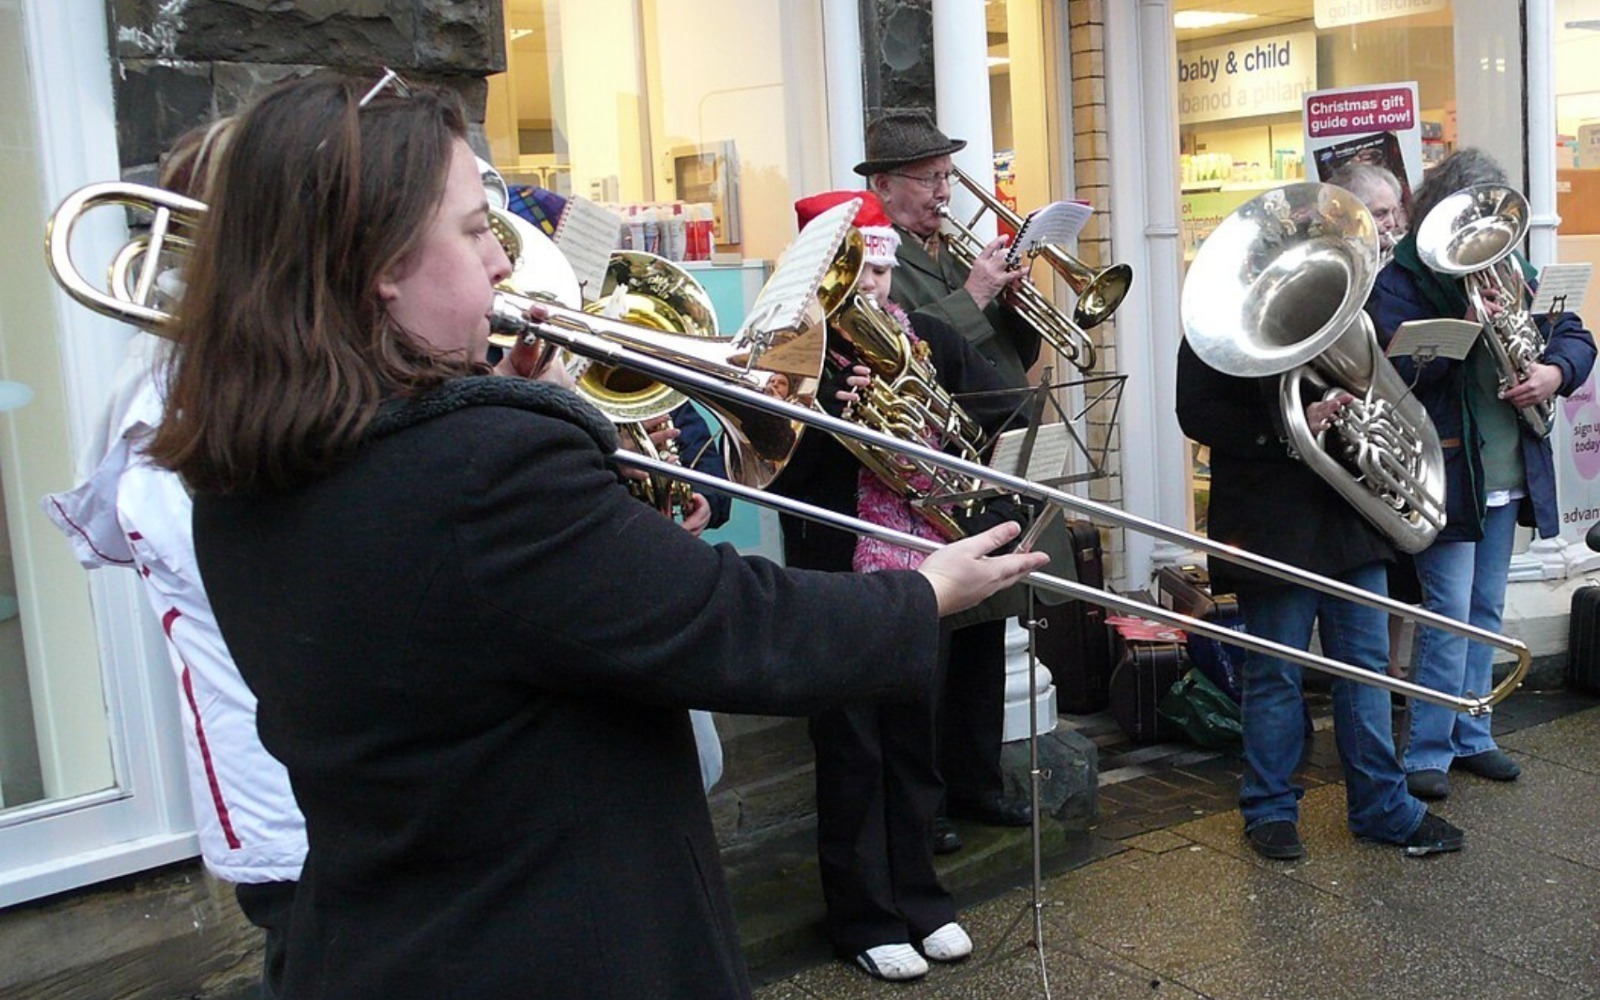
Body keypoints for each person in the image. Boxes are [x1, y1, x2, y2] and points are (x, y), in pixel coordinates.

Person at [141, 70, 1046, 1000]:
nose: (502, 261)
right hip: (549, 940)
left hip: (381, 931)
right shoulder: (481, 463)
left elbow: (494, 619)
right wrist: (926, 590)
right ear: (378, 261)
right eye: (470, 229)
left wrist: (586, 473)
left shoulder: (242, 462)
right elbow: (731, 623)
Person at [42, 117, 306, 1000]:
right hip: (301, 811)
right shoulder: (183, 389)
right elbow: (221, 575)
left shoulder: (263, 368)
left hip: (351, 797)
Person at [771, 191, 1023, 982]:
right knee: (852, 751)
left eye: (882, 268)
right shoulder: (798, 353)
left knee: (915, 745)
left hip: (925, 576)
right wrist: (829, 427)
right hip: (839, 580)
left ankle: (922, 899)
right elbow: (774, 471)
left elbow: (1005, 408)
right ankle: (863, 917)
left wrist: (943, 424)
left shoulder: (931, 337)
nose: (876, 285)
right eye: (860, 268)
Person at [1176, 335, 1466, 861]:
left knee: (1367, 669)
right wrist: (1290, 427)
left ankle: (1382, 806)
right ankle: (1269, 807)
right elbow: (1197, 413)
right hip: (1271, 521)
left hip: (1349, 513)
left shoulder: (1335, 305)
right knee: (1275, 672)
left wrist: (1354, 413)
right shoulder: (1215, 324)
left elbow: (1375, 382)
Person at [1367, 148, 1596, 801]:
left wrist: (1553, 372)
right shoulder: (1400, 281)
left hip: (1505, 466)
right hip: (1445, 469)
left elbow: (1573, 334)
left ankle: (1473, 734)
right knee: (1448, 611)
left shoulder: (1510, 266)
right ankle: (1428, 751)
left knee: (1484, 607)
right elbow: (1394, 376)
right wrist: (1463, 332)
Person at [857, 108, 1038, 833]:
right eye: (930, 180)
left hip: (986, 454)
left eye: (946, 177)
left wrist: (1015, 303)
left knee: (988, 631)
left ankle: (979, 781)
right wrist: (977, 294)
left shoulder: (944, 250)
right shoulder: (879, 256)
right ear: (886, 185)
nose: (944, 193)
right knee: (939, 646)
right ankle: (929, 806)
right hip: (927, 462)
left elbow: (1012, 356)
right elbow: (913, 339)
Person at [1329, 160, 1417, 699]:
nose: (1392, 224)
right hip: (1347, 451)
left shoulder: (1404, 271)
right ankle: (1376, 676)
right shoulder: (1343, 270)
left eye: (1395, 211)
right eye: (1380, 213)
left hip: (1393, 445)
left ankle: (1393, 673)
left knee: (1402, 578)